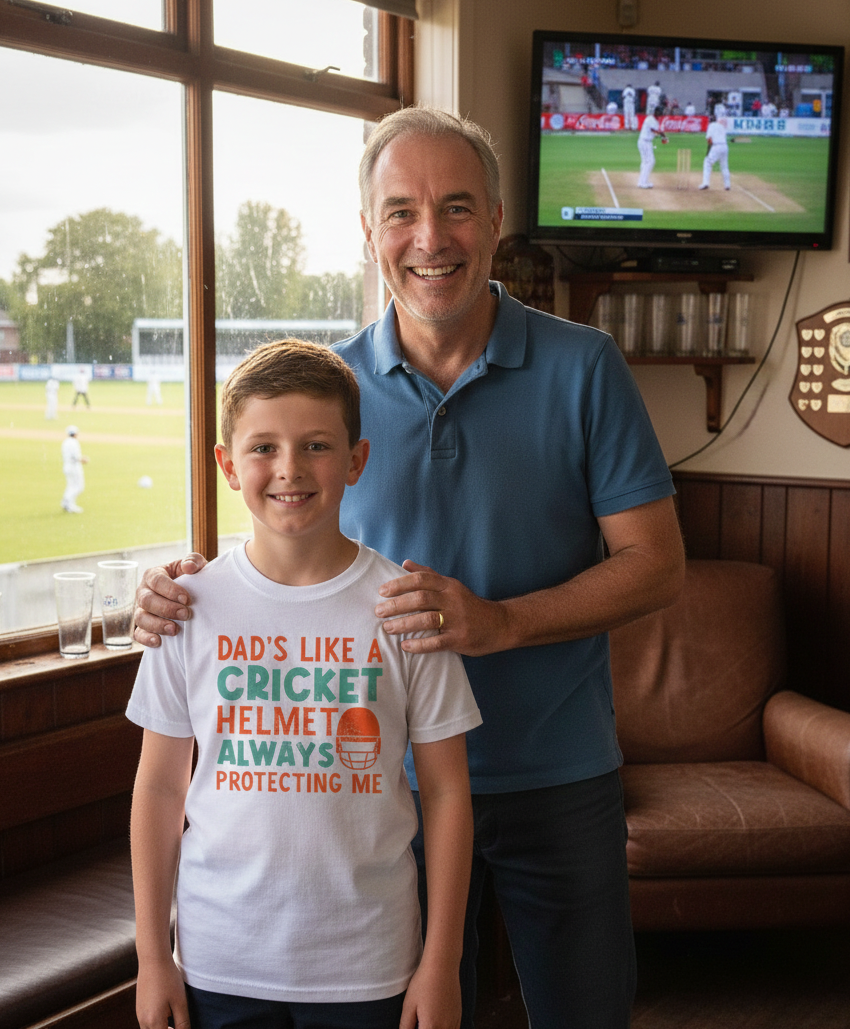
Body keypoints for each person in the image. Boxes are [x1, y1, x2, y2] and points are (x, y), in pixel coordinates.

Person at [135, 106, 686, 1029]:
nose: (430, 238)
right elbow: (264, 553)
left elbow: (657, 566)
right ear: (368, 232)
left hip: (558, 771)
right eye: (400, 212)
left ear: (497, 220)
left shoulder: (585, 366)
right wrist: (172, 586)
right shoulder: (329, 396)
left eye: (457, 208)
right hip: (383, 797)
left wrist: (500, 623)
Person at [128, 338, 481, 1029]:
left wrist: (439, 962)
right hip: (219, 959)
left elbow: (445, 791)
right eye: (263, 447)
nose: (289, 469)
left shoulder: (404, 607)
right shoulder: (186, 607)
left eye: (316, 445)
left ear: (356, 460)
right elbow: (160, 788)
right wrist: (152, 955)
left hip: (369, 961)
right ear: (228, 465)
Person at [637, 106, 668, 188]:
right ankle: (642, 182)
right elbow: (655, 131)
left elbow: (656, 133)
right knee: (650, 161)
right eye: (659, 114)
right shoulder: (650, 119)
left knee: (645, 162)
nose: (660, 116)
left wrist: (662, 137)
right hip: (645, 142)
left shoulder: (655, 121)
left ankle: (643, 181)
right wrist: (664, 137)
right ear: (656, 113)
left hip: (646, 142)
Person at [699, 115, 731, 190]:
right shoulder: (721, 126)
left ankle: (705, 183)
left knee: (707, 162)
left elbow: (709, 139)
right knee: (724, 166)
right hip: (725, 146)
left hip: (716, 146)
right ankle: (727, 185)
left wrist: (709, 148)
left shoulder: (711, 126)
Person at [61, 424, 88, 513]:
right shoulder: (74, 442)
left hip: (67, 466)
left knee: (71, 486)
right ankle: (69, 504)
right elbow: (75, 457)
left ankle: (65, 503)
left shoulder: (65, 442)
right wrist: (83, 459)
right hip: (74, 467)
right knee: (79, 487)